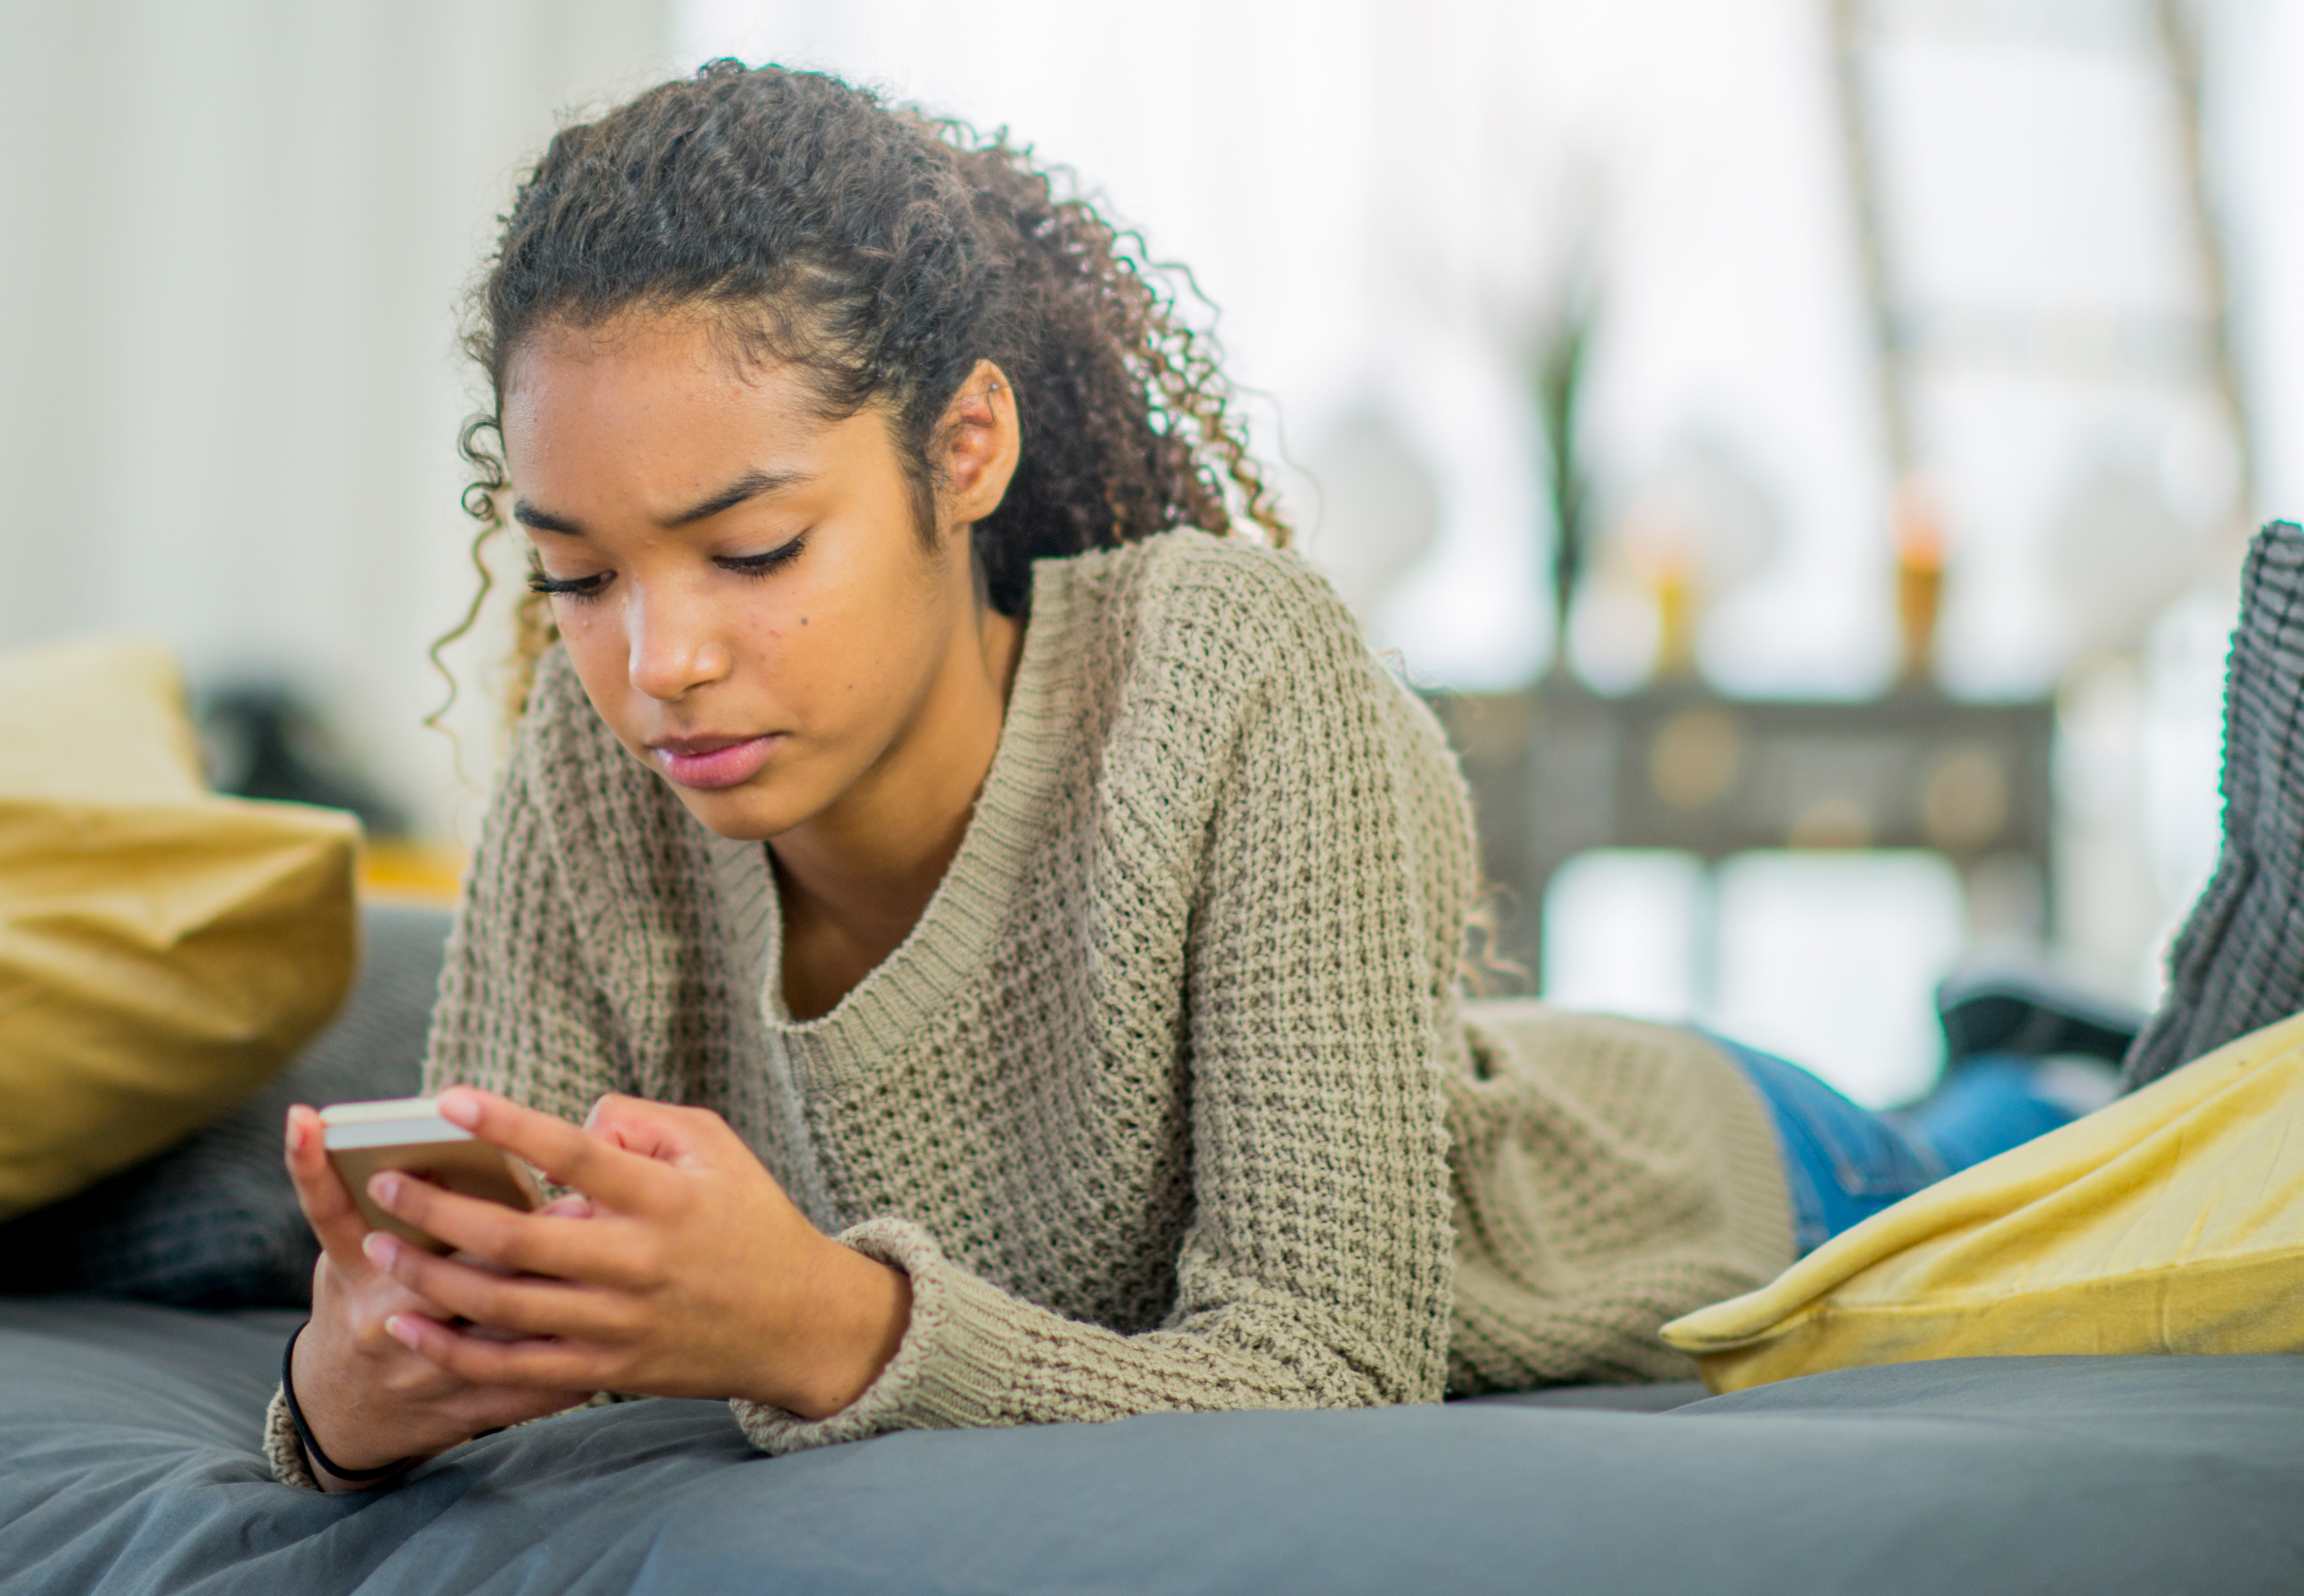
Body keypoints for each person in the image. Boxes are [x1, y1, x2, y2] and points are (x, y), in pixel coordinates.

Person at [266, 61, 2091, 1492]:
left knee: (2036, 1140)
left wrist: (824, 1324)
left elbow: (1328, 1368)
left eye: (751, 553)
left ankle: (2019, 1053)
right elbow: (459, 1366)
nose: (656, 662)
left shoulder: (1228, 680)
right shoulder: (595, 779)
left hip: (1721, 1176)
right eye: (576, 575)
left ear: (963, 446)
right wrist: (354, 1388)